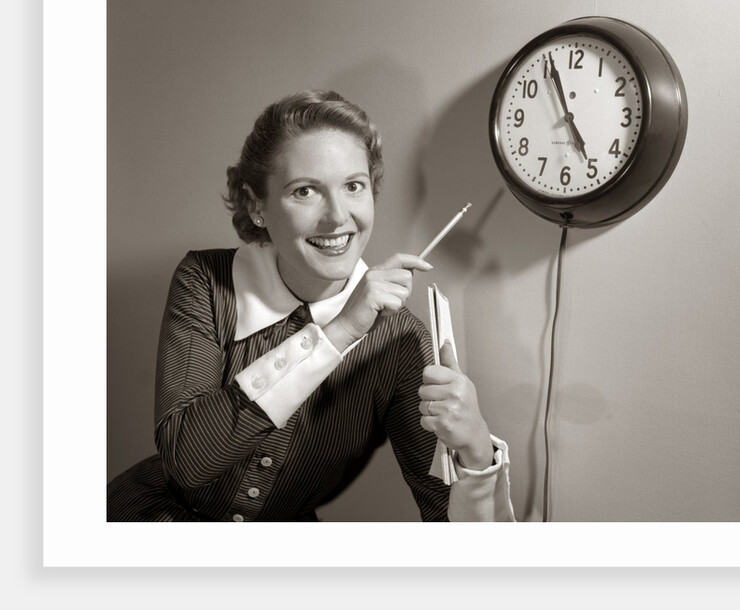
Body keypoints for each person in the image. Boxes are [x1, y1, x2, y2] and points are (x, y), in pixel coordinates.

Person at [107, 89, 515, 522]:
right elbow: (188, 461)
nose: (337, 216)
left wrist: (475, 451)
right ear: (256, 205)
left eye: (354, 186)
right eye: (305, 191)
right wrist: (340, 331)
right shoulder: (206, 280)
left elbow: (454, 537)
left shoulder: (400, 342)